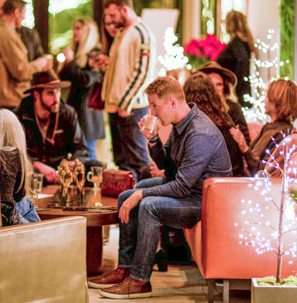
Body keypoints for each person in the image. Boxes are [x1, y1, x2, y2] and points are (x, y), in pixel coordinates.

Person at [88, 76, 231, 299]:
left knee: (148, 205)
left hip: (203, 202)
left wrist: (142, 194)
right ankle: (125, 268)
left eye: (154, 105)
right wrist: (153, 140)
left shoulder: (199, 133)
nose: (152, 112)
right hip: (188, 191)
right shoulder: (181, 123)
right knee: (126, 195)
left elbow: (182, 186)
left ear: (172, 102)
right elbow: (167, 165)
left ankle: (140, 281)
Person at [99, 0, 157, 181]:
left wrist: (126, 102)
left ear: (125, 9)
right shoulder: (124, 32)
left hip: (131, 108)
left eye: (113, 15)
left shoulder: (141, 32)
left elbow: (143, 72)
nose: (110, 19)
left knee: (136, 160)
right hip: (117, 106)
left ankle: (140, 201)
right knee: (121, 159)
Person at [15, 69, 94, 183]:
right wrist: (36, 165)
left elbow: (81, 147)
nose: (56, 98)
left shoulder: (67, 113)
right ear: (37, 95)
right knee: (31, 176)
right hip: (34, 169)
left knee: (95, 166)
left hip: (61, 168)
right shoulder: (20, 116)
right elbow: (14, 153)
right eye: (50, 93)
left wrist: (74, 162)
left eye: (58, 92)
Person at [0, 0, 51, 117]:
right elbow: (21, 71)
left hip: (0, 100)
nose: (24, 17)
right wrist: (40, 63)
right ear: (16, 12)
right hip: (9, 101)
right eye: (23, 13)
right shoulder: (6, 36)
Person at [229, 79, 297, 176]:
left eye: (267, 97)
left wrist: (245, 148)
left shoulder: (283, 133)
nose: (264, 100)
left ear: (278, 100)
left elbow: (264, 172)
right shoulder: (270, 128)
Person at [58, 17, 105, 159]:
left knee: (88, 151)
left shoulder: (96, 53)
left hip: (87, 113)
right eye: (74, 28)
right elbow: (64, 77)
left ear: (88, 31)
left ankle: (93, 180)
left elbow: (86, 80)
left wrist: (71, 62)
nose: (74, 31)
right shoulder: (77, 52)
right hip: (75, 109)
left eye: (78, 28)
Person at [183, 73, 247, 177]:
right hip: (220, 179)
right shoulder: (219, 116)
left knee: (148, 190)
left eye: (219, 84)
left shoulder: (203, 124)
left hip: (221, 184)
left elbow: (190, 174)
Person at [198, 61, 251, 145]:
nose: (214, 88)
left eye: (218, 84)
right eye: (210, 84)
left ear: (224, 88)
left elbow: (246, 140)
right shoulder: (195, 108)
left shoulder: (233, 108)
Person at [217, 10, 255, 108]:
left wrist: (233, 85)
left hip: (236, 95)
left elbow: (242, 63)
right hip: (239, 93)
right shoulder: (241, 43)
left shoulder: (237, 44)